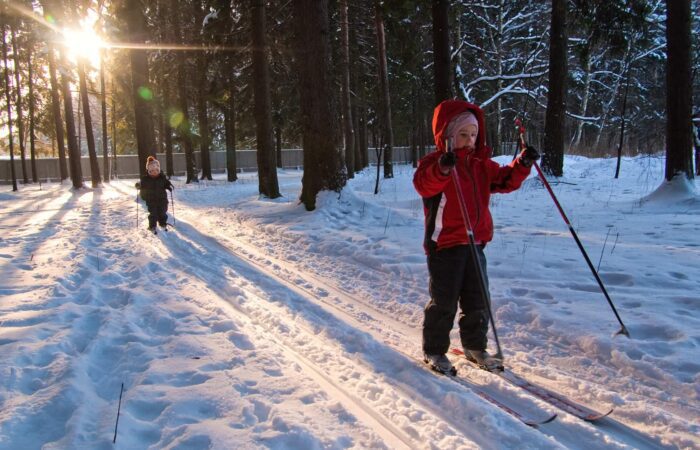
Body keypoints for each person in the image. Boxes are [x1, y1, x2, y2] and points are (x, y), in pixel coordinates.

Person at [413, 99, 540, 373]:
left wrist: (523, 164)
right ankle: (434, 350)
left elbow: (505, 180)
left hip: (476, 243)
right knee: (444, 301)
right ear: (447, 135)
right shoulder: (434, 163)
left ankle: (475, 345)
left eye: (473, 135)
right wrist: (444, 168)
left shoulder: (481, 165)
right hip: (445, 245)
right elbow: (425, 184)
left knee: (478, 298)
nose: (469, 140)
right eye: (462, 134)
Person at [136, 156, 173, 233]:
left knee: (163, 212)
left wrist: (169, 186)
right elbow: (141, 184)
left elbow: (166, 183)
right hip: (151, 200)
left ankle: (163, 223)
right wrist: (138, 185)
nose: (154, 172)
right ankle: (152, 226)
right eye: (152, 171)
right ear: (149, 171)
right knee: (153, 213)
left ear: (158, 170)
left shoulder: (162, 178)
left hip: (162, 199)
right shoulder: (145, 179)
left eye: (156, 170)